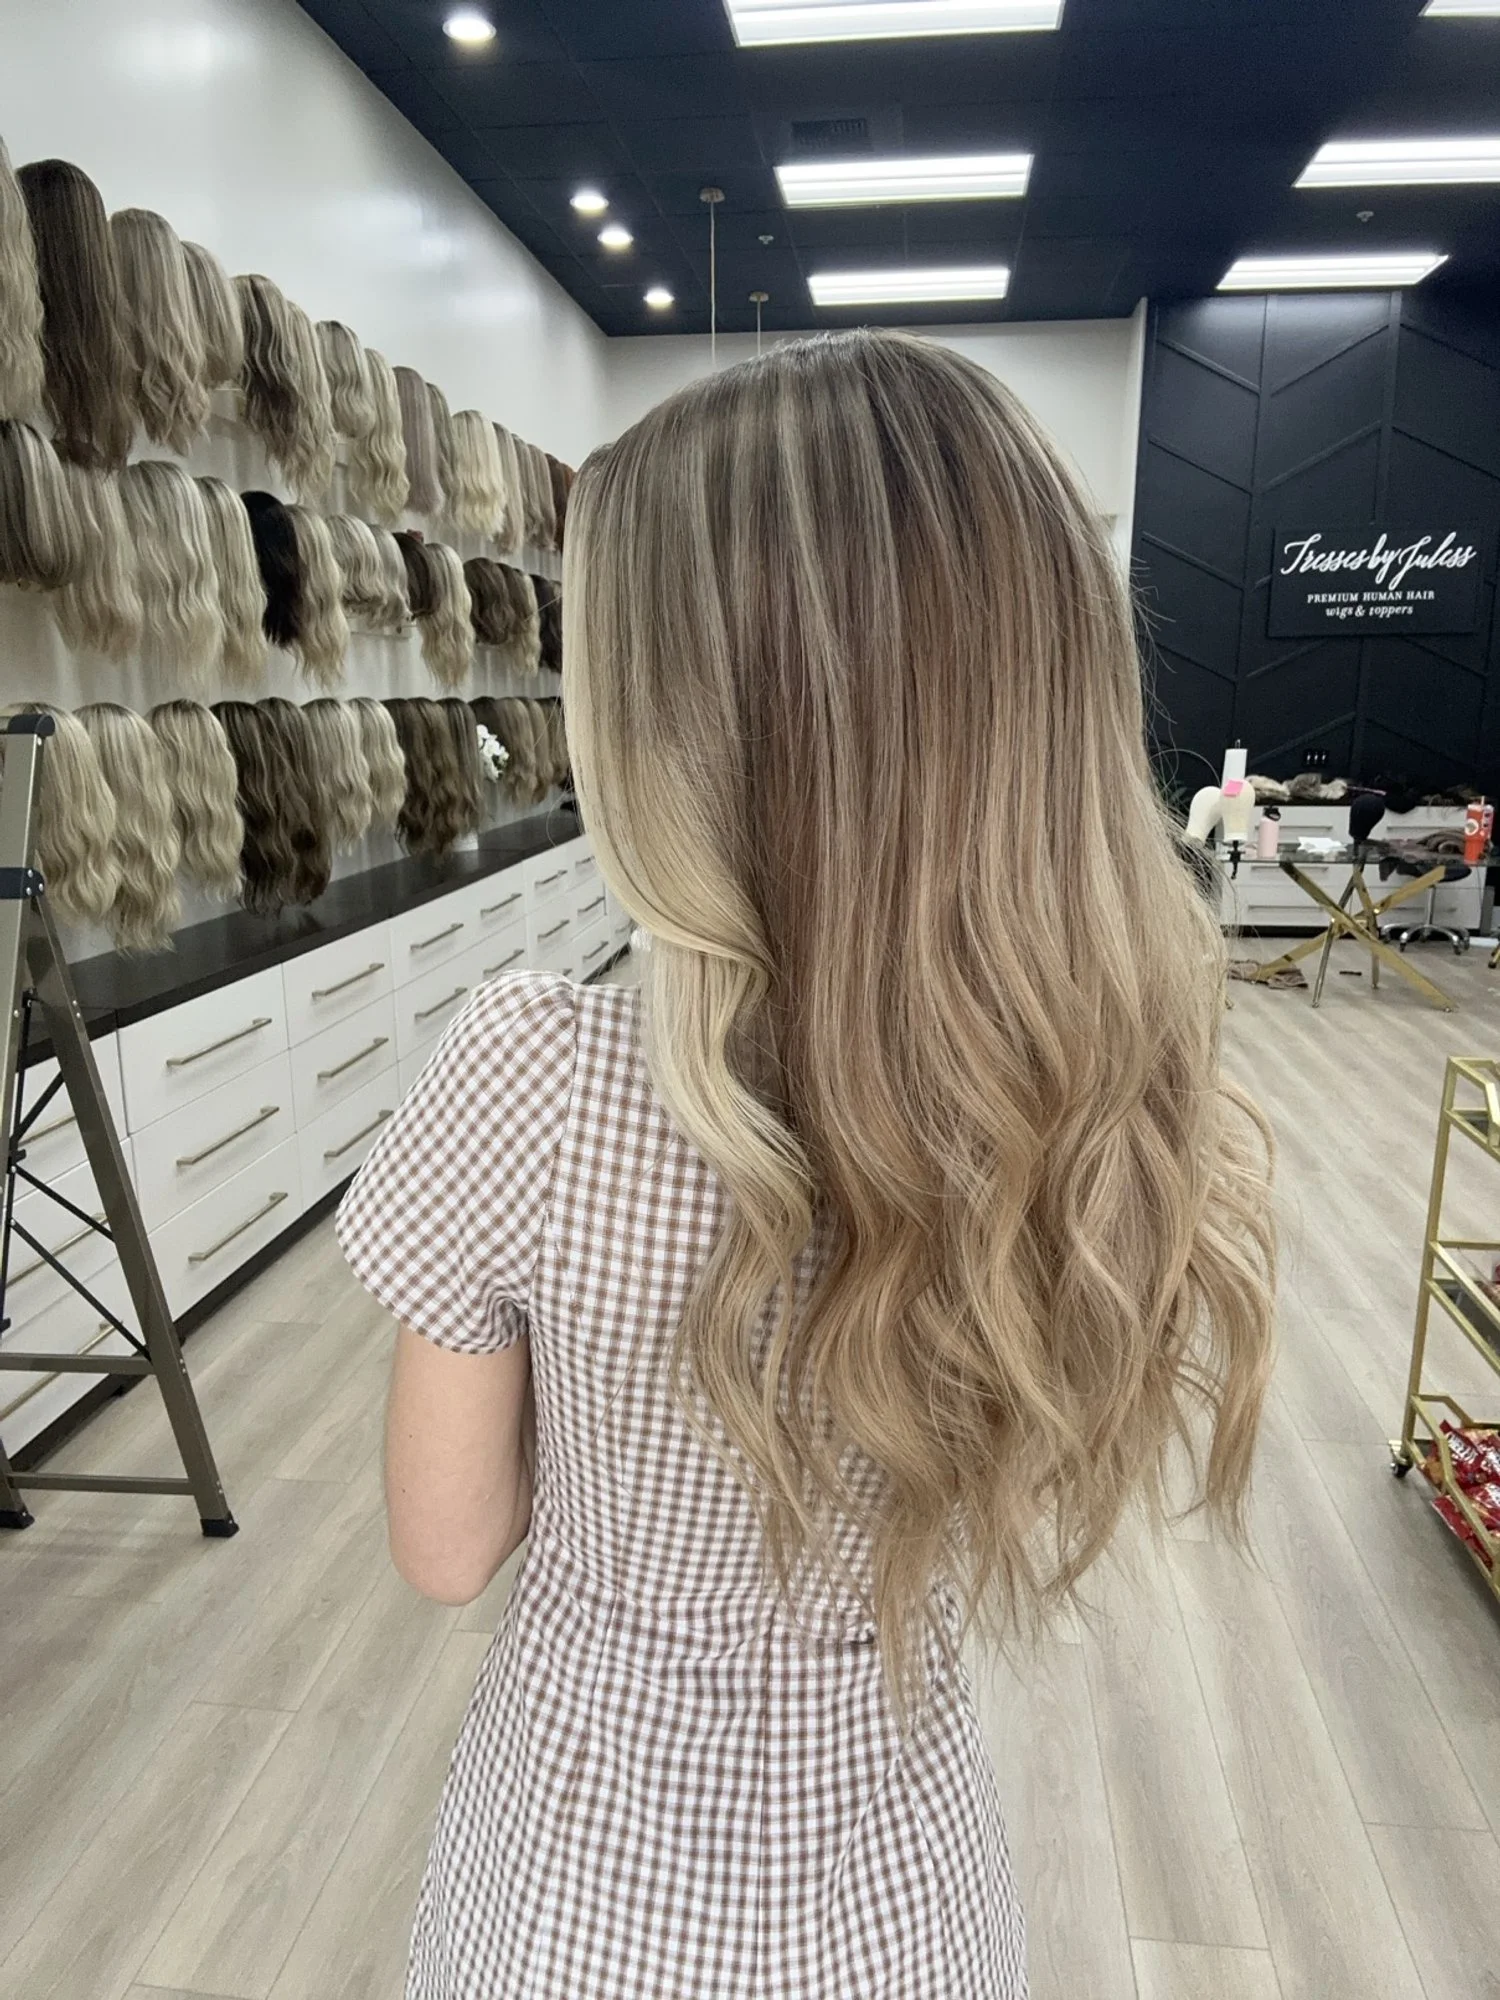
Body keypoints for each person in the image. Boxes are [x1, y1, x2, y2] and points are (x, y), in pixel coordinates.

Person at [337, 328, 1276, 2000]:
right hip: (901, 1890)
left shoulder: (538, 1077)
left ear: (676, 733)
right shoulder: (1065, 1097)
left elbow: (448, 1544)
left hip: (583, 1885)